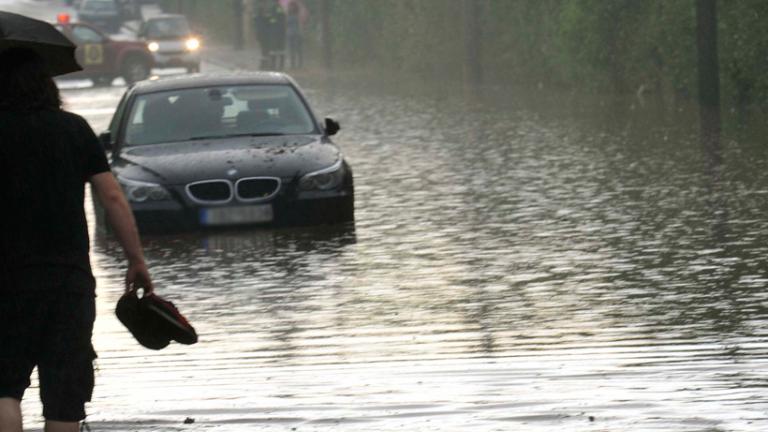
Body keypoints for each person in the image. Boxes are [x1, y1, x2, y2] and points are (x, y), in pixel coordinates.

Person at [0, 48, 153, 432]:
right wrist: (136, 259)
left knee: (3, 387)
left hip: (6, 284)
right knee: (65, 395)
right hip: (69, 283)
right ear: (47, 84)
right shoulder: (73, 129)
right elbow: (113, 197)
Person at [286, 1, 303, 69]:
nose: (291, 7)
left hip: (297, 33)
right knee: (291, 49)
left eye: (292, 6)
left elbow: (301, 24)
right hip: (290, 34)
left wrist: (301, 32)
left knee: (298, 49)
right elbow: (286, 24)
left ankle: (300, 64)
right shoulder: (288, 15)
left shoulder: (298, 15)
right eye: (290, 6)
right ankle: (293, 64)